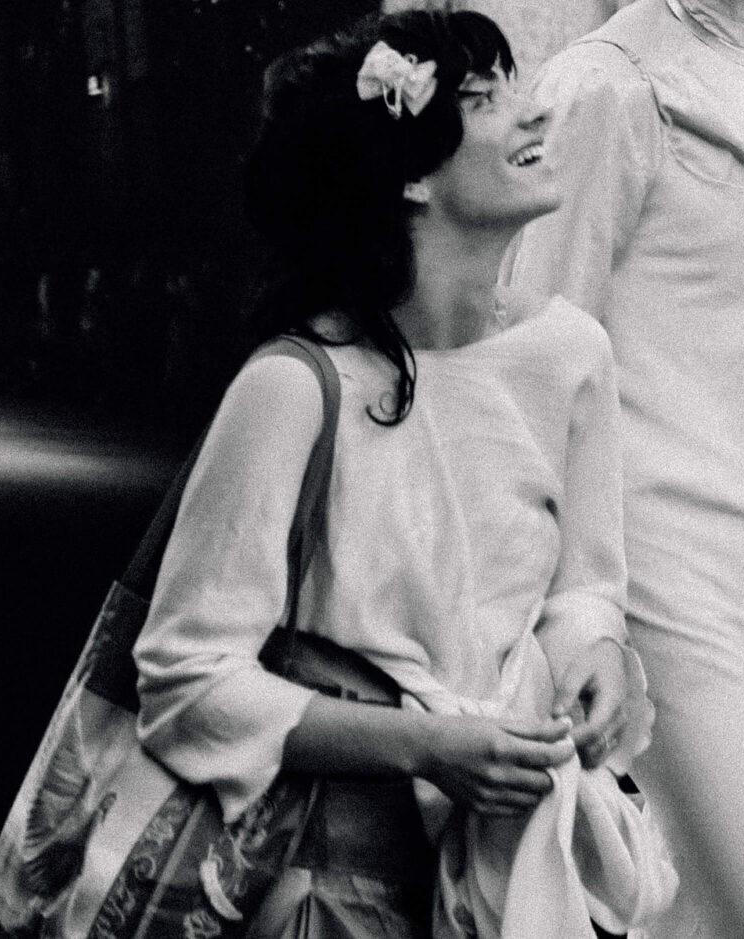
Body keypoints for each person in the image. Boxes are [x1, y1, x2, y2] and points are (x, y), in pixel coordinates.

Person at [131, 9, 667, 937]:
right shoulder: (295, 387)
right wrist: (425, 744)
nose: (536, 114)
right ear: (410, 174)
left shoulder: (571, 354)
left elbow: (584, 587)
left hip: (511, 868)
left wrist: (599, 657)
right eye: (485, 100)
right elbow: (185, 679)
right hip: (328, 879)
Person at [504, 0, 744, 935]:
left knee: (704, 919)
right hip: (657, 580)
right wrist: (575, 614)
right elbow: (525, 367)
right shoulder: (611, 86)